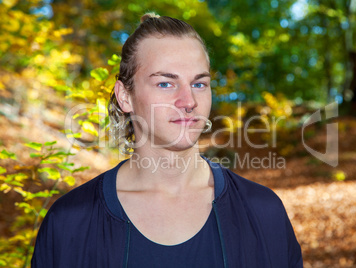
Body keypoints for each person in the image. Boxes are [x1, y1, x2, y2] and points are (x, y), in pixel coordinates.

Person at [32, 13, 302, 267]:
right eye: (165, 83)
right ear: (125, 96)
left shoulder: (263, 213)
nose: (189, 102)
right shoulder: (69, 223)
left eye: (199, 84)